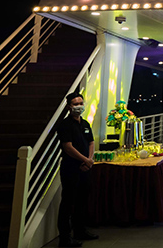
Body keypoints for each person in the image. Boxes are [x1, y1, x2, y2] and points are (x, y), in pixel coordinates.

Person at [56, 92, 98, 247]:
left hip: (85, 168)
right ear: (69, 107)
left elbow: (91, 142)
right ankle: (65, 238)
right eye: (75, 104)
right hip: (71, 168)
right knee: (67, 202)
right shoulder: (65, 125)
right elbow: (68, 147)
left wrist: (90, 160)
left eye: (81, 103)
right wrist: (84, 159)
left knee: (81, 201)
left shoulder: (85, 123)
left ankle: (80, 231)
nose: (79, 106)